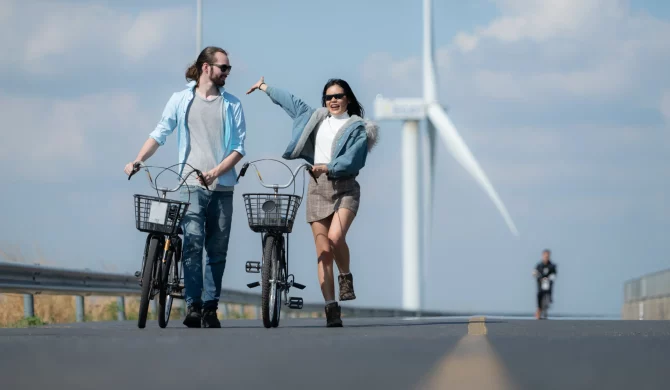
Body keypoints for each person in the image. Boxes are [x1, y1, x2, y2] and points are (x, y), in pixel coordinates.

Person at [124, 46, 247, 328]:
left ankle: (210, 308)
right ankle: (193, 305)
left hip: (223, 186)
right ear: (206, 68)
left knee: (217, 250)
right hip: (189, 184)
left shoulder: (232, 104)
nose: (227, 73)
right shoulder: (181, 100)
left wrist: (215, 172)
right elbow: (160, 133)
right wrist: (138, 160)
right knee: (192, 243)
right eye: (223, 68)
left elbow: (239, 148)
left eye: (228, 68)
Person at [245, 76, 379, 327]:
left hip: (345, 187)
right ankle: (331, 307)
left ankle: (345, 276)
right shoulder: (316, 119)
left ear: (347, 99)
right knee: (323, 252)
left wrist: (328, 167)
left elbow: (355, 160)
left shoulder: (357, 127)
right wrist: (265, 88)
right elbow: (291, 103)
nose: (333, 101)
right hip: (317, 189)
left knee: (336, 238)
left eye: (338, 96)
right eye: (329, 97)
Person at [532, 249, 557, 319]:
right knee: (539, 295)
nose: (546, 257)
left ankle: (546, 308)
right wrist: (536, 275)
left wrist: (550, 278)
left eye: (548, 256)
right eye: (545, 256)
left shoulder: (552, 266)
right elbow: (534, 272)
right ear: (543, 256)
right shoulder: (539, 265)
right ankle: (539, 311)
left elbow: (554, 274)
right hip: (540, 284)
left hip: (548, 285)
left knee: (548, 295)